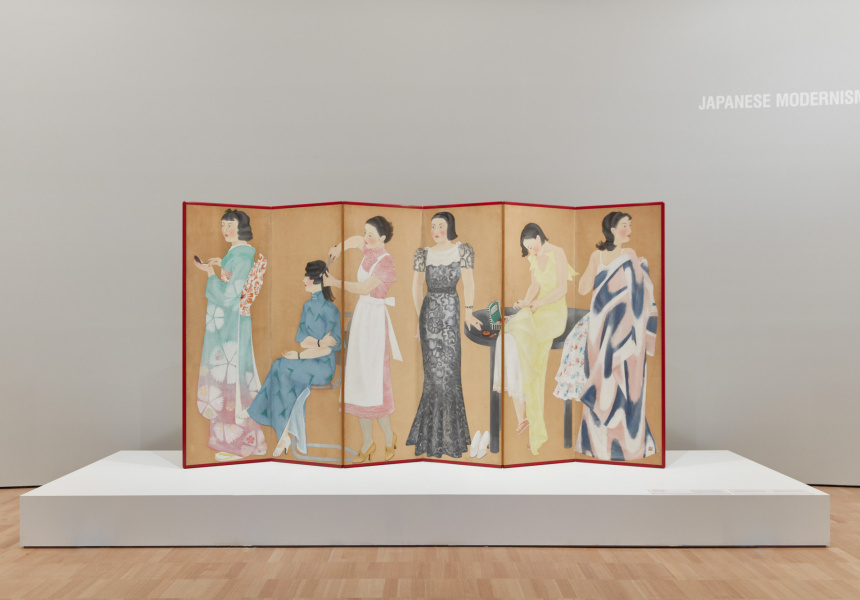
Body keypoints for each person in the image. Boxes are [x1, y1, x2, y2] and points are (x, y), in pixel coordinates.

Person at [554, 211, 658, 461]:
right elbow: (583, 289)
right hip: (600, 330)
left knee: (623, 385)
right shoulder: (598, 256)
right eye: (624, 226)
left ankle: (624, 446)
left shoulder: (629, 255)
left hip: (623, 331)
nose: (629, 230)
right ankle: (598, 445)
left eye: (630, 225)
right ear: (612, 230)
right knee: (604, 381)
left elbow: (637, 295)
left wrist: (641, 270)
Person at [493, 223, 576, 455]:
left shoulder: (557, 252)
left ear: (539, 237)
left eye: (533, 245)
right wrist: (526, 302)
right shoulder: (533, 257)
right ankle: (526, 419)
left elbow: (561, 289)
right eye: (528, 248)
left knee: (534, 360)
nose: (532, 250)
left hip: (554, 312)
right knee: (513, 339)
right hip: (538, 309)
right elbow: (534, 285)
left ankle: (535, 430)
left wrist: (539, 303)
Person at [245, 261, 341, 458]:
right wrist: (318, 342)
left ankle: (280, 432)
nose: (303, 280)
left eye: (307, 276)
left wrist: (301, 354)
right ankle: (283, 436)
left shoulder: (331, 310)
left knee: (283, 367)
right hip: (309, 360)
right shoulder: (307, 306)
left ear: (317, 280)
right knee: (278, 364)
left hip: (324, 367)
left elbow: (327, 349)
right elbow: (304, 341)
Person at [193, 209, 267, 461]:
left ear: (242, 227)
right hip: (232, 322)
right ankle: (247, 442)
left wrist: (209, 273)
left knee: (233, 381)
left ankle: (239, 446)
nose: (225, 230)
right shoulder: (238, 253)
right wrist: (220, 265)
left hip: (233, 324)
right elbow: (233, 282)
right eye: (223, 225)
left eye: (230, 225)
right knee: (229, 379)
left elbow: (229, 296)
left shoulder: (243, 256)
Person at [325, 216, 401, 463]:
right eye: (366, 232)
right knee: (358, 381)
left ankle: (389, 437)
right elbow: (356, 240)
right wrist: (339, 248)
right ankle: (368, 442)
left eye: (371, 235)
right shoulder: (368, 249)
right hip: (361, 318)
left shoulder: (386, 261)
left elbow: (364, 288)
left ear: (383, 238)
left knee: (374, 383)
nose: (366, 238)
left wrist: (334, 282)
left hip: (375, 322)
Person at [406, 212, 482, 459]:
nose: (436, 230)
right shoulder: (423, 254)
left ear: (450, 227)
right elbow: (416, 287)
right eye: (433, 226)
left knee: (449, 375)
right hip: (429, 316)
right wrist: (421, 318)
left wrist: (468, 313)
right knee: (432, 377)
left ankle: (451, 438)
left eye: (440, 225)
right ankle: (430, 438)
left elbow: (469, 284)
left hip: (451, 314)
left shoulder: (462, 250)